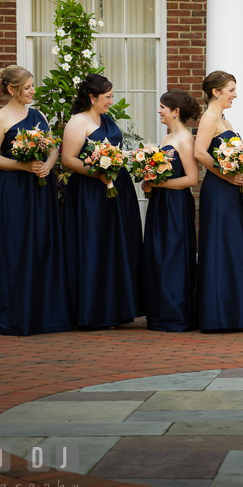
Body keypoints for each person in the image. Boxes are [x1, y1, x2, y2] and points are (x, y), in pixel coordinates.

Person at [0, 66, 71, 336]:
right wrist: (24, 166)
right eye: (28, 87)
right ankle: (12, 313)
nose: (33, 90)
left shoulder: (38, 114)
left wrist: (48, 164)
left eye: (33, 85)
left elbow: (54, 147)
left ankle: (46, 313)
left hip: (41, 188)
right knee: (15, 246)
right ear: (12, 89)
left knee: (43, 244)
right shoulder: (0, 118)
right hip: (14, 191)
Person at [61, 74, 142, 329]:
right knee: (94, 245)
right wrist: (95, 171)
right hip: (90, 194)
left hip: (116, 191)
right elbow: (69, 160)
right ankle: (92, 311)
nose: (111, 100)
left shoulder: (106, 119)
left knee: (115, 246)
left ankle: (116, 308)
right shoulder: (78, 122)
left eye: (111, 95)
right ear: (91, 97)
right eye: (107, 96)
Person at [194, 70, 243, 331]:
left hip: (232, 191)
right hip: (219, 190)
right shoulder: (209, 117)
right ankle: (218, 314)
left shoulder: (223, 119)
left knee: (234, 246)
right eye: (230, 90)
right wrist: (226, 176)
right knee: (221, 246)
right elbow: (199, 152)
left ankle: (236, 312)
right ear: (215, 92)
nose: (235, 94)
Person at [141, 89, 201, 332]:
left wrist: (159, 183)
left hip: (176, 206)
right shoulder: (166, 139)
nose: (159, 111)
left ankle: (176, 314)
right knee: (157, 254)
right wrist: (148, 182)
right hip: (159, 204)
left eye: (162, 107)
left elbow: (192, 179)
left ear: (175, 112)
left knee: (175, 256)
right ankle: (158, 312)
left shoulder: (185, 139)